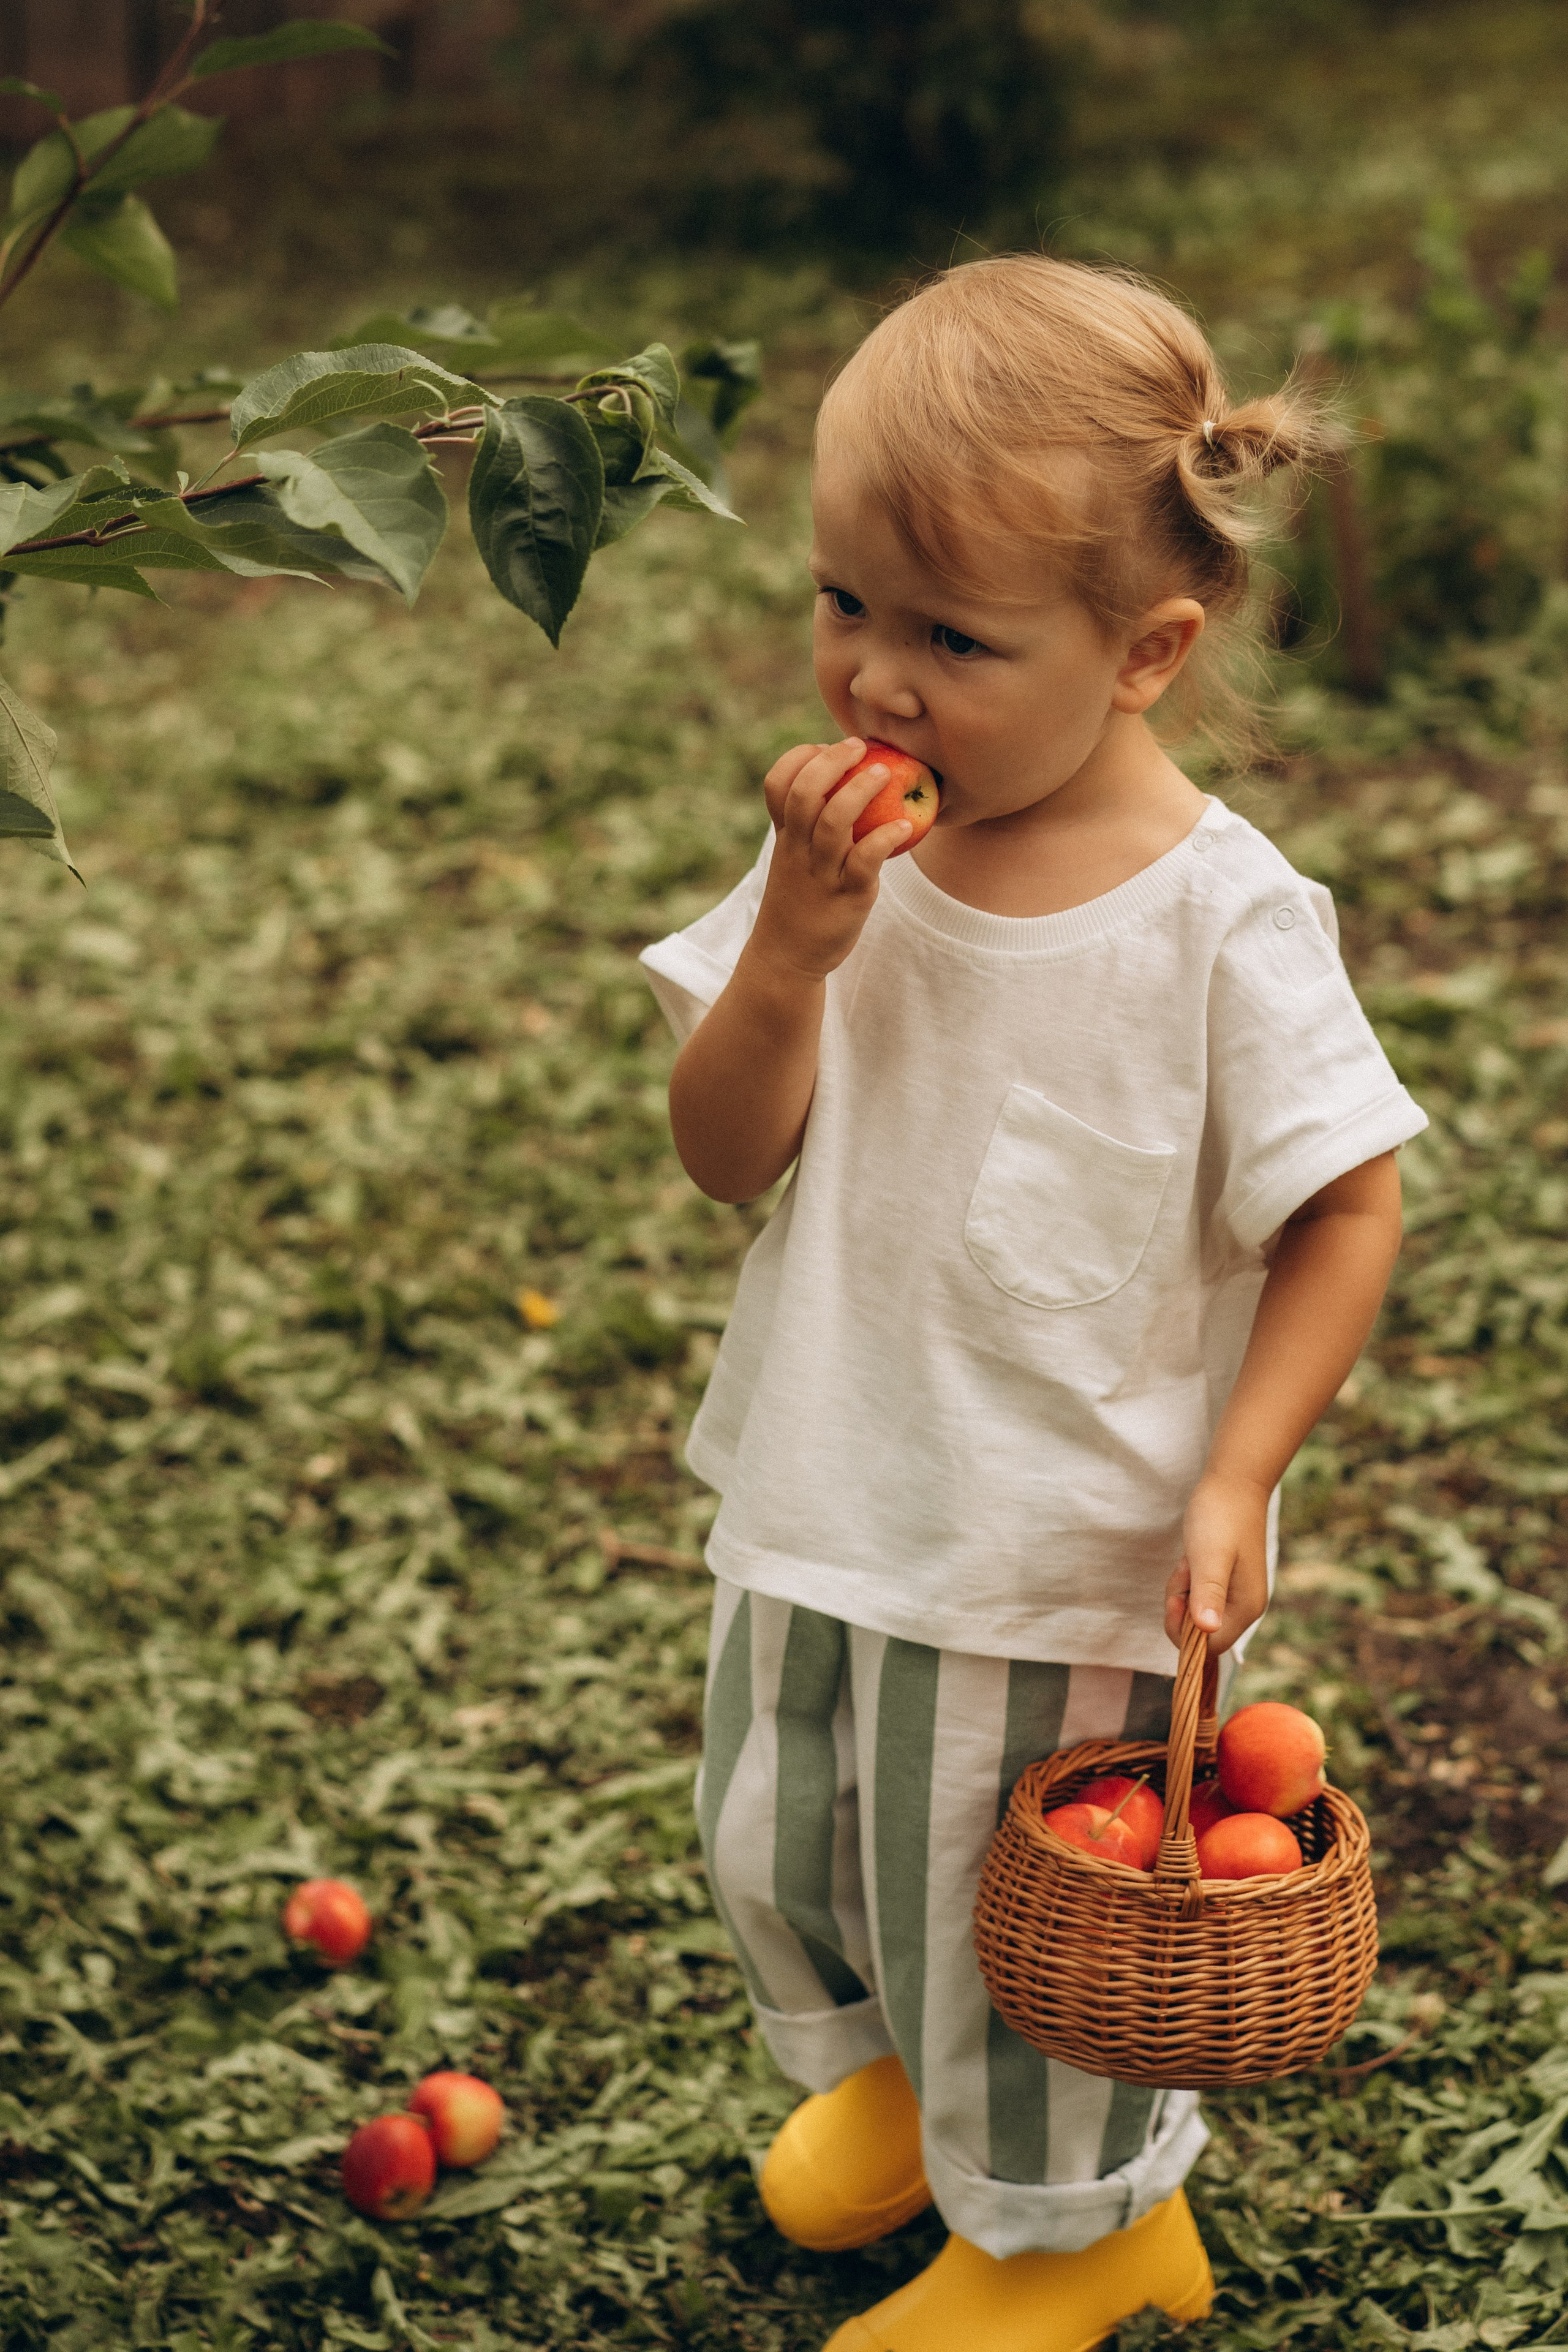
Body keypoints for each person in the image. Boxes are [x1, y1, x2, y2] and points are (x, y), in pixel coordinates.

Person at [638, 254, 1424, 2352]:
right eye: (843, 607)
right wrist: (792, 960)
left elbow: (1352, 1206)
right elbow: (728, 1152)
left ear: (1146, 650)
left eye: (953, 639)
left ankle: (1076, 2240)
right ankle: (901, 2106)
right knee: (785, 1844)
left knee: (1016, 1930)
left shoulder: (1218, 922)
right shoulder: (850, 872)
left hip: (1053, 1554)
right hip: (824, 1495)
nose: (876, 685)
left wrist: (1242, 1472)